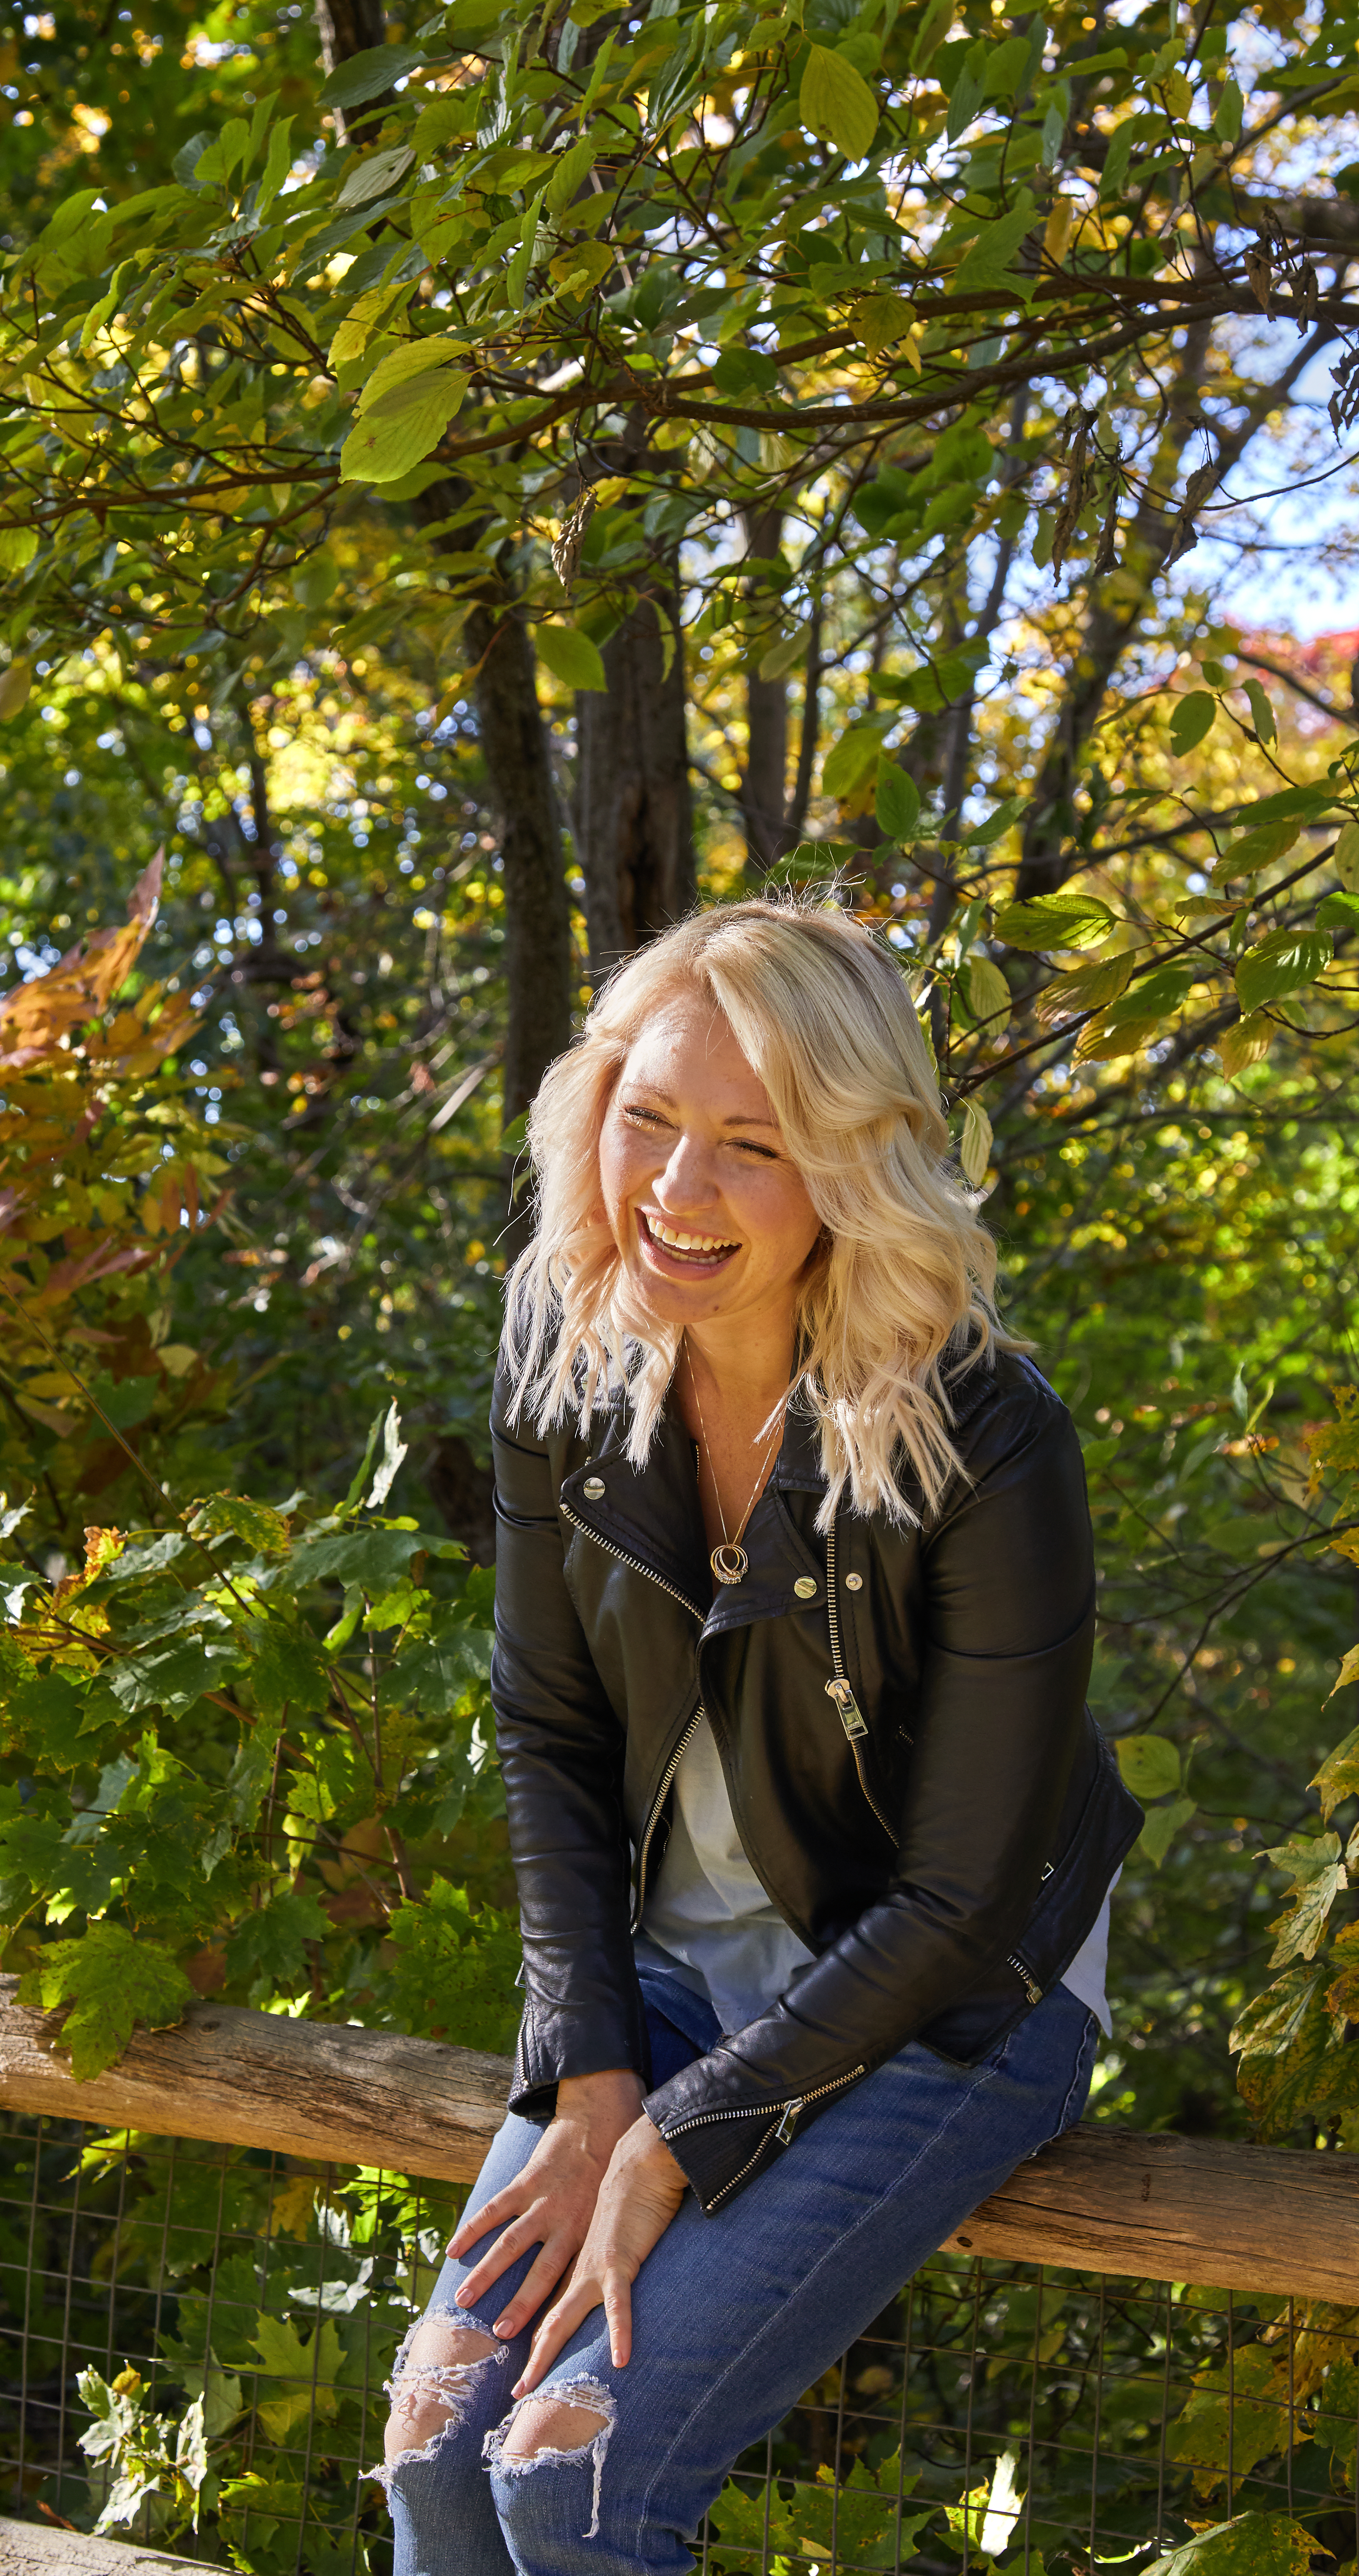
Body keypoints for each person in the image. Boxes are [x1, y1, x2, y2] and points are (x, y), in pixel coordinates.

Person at [376, 899, 1141, 2576]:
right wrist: (589, 2084)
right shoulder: (563, 1351)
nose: (676, 1189)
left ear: (854, 1172)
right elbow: (552, 1733)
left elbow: (955, 1906)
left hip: (949, 2003)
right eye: (648, 1119)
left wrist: (678, 2134)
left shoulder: (988, 1439)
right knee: (436, 2444)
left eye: (752, 1145)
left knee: (571, 2483)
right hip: (662, 1980)